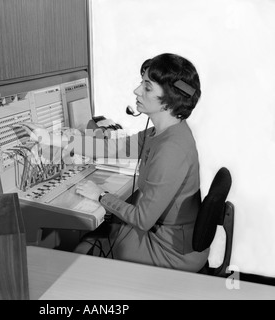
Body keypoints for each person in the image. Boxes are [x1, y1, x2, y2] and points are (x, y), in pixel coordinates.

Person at [23, 53, 209, 273]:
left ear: (169, 101)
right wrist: (50, 139)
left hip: (170, 252)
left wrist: (101, 196)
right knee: (96, 234)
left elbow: (142, 220)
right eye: (142, 83)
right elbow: (112, 148)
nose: (137, 91)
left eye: (147, 87)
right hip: (168, 236)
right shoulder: (163, 133)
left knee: (87, 241)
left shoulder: (171, 150)